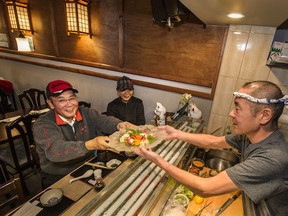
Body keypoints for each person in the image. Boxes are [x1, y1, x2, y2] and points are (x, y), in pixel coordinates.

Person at [135, 81, 288, 215]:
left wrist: (158, 161)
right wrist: (177, 134)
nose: (231, 113)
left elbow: (205, 188)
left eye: (238, 108)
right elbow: (213, 142)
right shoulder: (250, 136)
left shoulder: (272, 157)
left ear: (264, 116)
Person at [33, 80, 134, 187]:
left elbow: (104, 120)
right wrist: (90, 145)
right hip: (58, 175)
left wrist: (120, 125)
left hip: (87, 165)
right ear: (50, 103)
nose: (69, 104)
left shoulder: (85, 112)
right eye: (61, 100)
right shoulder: (43, 124)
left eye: (72, 98)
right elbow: (56, 150)